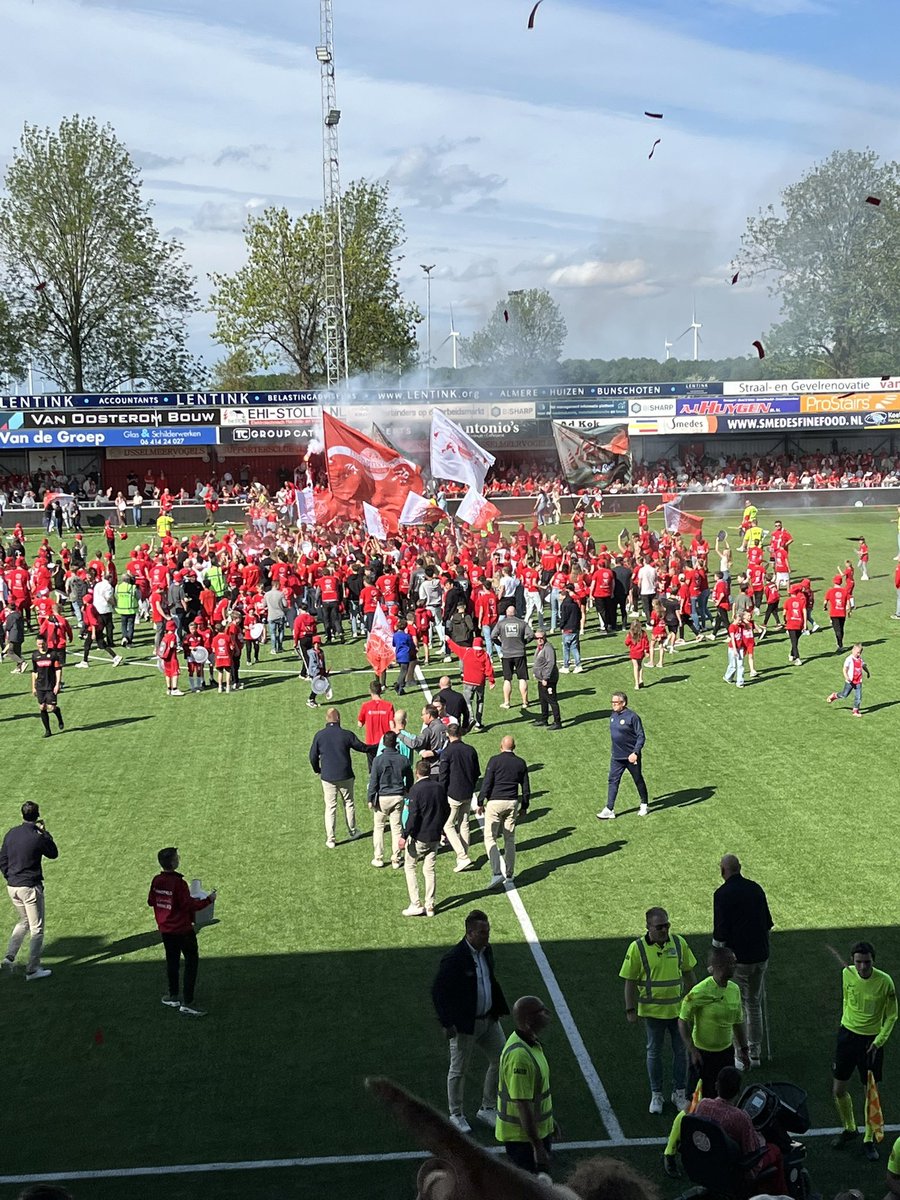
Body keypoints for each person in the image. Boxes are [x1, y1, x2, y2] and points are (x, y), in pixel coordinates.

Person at [431, 909, 510, 1132]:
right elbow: (438, 991)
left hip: (489, 1020)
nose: (487, 936)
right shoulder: (454, 959)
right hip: (466, 1025)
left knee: (502, 1059)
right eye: (483, 932)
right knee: (458, 1069)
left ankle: (487, 1108)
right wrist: (447, 1023)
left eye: (488, 931)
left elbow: (489, 981)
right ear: (470, 933)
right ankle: (456, 1114)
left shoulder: (486, 951)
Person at [620, 907, 696, 1114]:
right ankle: (657, 1094)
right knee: (654, 1053)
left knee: (681, 1052)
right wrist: (630, 1009)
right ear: (648, 927)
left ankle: (679, 1092)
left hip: (678, 1012)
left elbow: (689, 974)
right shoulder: (637, 948)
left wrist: (694, 1001)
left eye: (667, 925)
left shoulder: (679, 943)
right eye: (659, 926)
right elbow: (630, 981)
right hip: (652, 1013)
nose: (664, 930)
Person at [664, 1065, 786, 1190]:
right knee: (775, 1150)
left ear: (716, 1086)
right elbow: (751, 1153)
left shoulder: (703, 1105)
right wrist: (760, 1139)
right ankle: (783, 1195)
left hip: (706, 1164)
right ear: (738, 1092)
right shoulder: (741, 1118)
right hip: (732, 1171)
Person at [832, 941, 897, 1160]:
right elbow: (846, 999)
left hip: (871, 1042)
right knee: (838, 1089)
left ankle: (868, 1138)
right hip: (847, 1037)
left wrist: (879, 1041)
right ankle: (850, 1128)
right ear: (853, 961)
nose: (862, 967)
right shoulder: (846, 974)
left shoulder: (885, 982)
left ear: (873, 961)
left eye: (867, 962)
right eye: (858, 962)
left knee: (870, 1091)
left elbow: (892, 1015)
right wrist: (845, 1024)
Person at [712, 855, 773, 1070]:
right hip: (760, 956)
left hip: (738, 961)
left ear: (723, 871)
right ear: (739, 868)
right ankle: (755, 1053)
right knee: (753, 1004)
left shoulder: (721, 894)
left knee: (737, 1007)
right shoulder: (756, 889)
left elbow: (720, 934)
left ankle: (741, 1055)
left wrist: (716, 962)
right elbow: (767, 924)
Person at [147, 846, 216, 1017]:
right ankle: (188, 1002)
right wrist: (208, 900)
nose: (179, 859)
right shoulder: (179, 883)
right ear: (173, 862)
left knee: (172, 962)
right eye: (177, 857)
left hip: (166, 930)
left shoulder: (157, 880)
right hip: (183, 930)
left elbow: (151, 901)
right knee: (191, 963)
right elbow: (189, 905)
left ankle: (173, 996)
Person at [495, 995, 555, 1176]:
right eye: (541, 1011)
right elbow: (522, 1104)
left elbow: (536, 1094)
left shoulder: (531, 1044)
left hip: (534, 1132)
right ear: (529, 1020)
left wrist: (550, 1121)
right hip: (523, 1140)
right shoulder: (520, 1057)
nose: (547, 1013)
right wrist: (537, 1146)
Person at [679, 947, 749, 1099]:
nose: (736, 966)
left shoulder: (734, 989)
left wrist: (744, 1050)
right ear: (719, 966)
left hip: (725, 1053)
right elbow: (682, 1021)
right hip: (703, 1055)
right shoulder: (699, 992)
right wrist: (693, 1051)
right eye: (732, 963)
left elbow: (738, 1022)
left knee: (724, 1097)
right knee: (697, 1099)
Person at [0, 801, 58, 980]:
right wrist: (45, 833)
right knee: (37, 929)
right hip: (30, 888)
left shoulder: (11, 833)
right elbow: (53, 853)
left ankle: (9, 957)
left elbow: (2, 860)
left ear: (22, 815)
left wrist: (10, 878)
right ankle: (32, 969)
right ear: (37, 815)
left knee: (24, 921)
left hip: (13, 887)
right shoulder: (37, 837)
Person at [308, 708, 369, 849]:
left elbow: (312, 756)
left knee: (330, 807)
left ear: (326, 719)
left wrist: (318, 770)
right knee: (349, 803)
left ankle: (331, 839)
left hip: (328, 777)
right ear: (339, 719)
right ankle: (353, 831)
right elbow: (362, 747)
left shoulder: (319, 735)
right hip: (346, 775)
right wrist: (378, 747)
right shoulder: (346, 734)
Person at [477, 735, 531, 889]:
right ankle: (510, 873)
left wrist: (481, 801)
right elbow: (526, 787)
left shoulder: (494, 760)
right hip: (512, 802)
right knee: (510, 839)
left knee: (490, 837)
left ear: (501, 746)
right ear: (514, 747)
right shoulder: (520, 763)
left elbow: (487, 782)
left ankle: (496, 872)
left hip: (495, 802)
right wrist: (525, 806)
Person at [400, 760, 450, 917]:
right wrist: (441, 827)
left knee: (410, 866)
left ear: (417, 772)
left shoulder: (416, 790)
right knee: (429, 870)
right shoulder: (439, 788)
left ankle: (416, 904)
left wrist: (404, 836)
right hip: (435, 835)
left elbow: (413, 816)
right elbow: (447, 809)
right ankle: (430, 905)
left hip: (420, 836)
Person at [597, 692, 649, 820]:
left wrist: (635, 752)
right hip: (616, 757)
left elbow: (641, 736)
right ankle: (609, 808)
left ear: (623, 703)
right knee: (613, 781)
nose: (613, 705)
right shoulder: (613, 715)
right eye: (612, 703)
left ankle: (644, 804)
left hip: (631, 757)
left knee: (637, 779)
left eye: (616, 703)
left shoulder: (633, 717)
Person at [367, 730, 413, 870]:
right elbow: (410, 779)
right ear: (396, 744)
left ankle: (378, 857)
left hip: (382, 798)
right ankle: (396, 858)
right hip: (398, 796)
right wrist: (407, 789)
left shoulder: (378, 760)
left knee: (379, 827)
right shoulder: (403, 759)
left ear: (384, 743)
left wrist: (370, 798)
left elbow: (373, 780)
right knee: (397, 827)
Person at [439, 724, 480, 872]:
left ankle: (462, 856)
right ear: (460, 734)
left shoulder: (447, 752)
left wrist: (442, 794)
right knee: (464, 824)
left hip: (453, 794)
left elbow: (443, 777)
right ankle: (463, 856)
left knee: (448, 825)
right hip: (468, 792)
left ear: (448, 735)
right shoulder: (470, 750)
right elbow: (477, 772)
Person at [491, 605, 534, 711]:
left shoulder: (501, 623)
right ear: (515, 612)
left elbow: (493, 636)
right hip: (519, 653)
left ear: (506, 612)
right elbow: (531, 635)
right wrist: (523, 642)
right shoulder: (522, 623)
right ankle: (525, 702)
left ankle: (507, 702)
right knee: (522, 678)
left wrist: (501, 644)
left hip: (506, 654)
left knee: (507, 679)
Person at [358, 680, 395, 771]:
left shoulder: (366, 706)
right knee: (385, 768)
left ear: (370, 691)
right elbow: (392, 725)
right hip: (385, 743)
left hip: (371, 743)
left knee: (373, 769)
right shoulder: (389, 706)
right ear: (380, 691)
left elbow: (359, 724)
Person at [31, 633, 63, 738]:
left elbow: (58, 669)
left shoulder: (53, 654)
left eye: (42, 644)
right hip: (40, 686)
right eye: (39, 644)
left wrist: (57, 684)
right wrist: (33, 687)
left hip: (50, 685)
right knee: (42, 707)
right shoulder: (35, 655)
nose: (41, 646)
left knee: (51, 707)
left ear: (46, 643)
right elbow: (34, 672)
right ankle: (48, 730)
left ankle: (58, 715)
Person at [827, 643, 870, 717]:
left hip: (858, 681)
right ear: (853, 650)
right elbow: (845, 669)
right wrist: (846, 676)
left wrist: (868, 672)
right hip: (850, 681)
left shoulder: (860, 659)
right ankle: (834, 695)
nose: (859, 654)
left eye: (860, 652)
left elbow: (863, 666)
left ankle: (855, 710)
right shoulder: (849, 659)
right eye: (858, 652)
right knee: (844, 695)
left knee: (858, 697)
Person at [532, 629, 562, 729]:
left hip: (548, 680)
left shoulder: (548, 648)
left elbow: (550, 663)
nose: (539, 640)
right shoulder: (540, 647)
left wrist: (545, 677)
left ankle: (557, 722)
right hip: (541, 679)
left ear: (545, 637)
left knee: (552, 700)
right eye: (537, 638)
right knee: (543, 700)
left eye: (541, 638)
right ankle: (544, 719)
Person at [824, 573, 851, 653]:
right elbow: (848, 603)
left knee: (837, 630)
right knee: (841, 629)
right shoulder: (845, 591)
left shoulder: (830, 591)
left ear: (834, 582)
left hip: (834, 613)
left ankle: (839, 645)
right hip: (842, 613)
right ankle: (840, 644)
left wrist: (825, 607)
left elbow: (825, 601)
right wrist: (849, 611)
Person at [624, 619, 649, 691]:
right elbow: (646, 642)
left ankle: (636, 684)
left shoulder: (630, 634)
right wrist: (646, 651)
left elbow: (626, 643)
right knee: (640, 665)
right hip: (641, 652)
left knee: (635, 667)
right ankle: (641, 679)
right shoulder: (643, 633)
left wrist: (627, 638)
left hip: (634, 652)